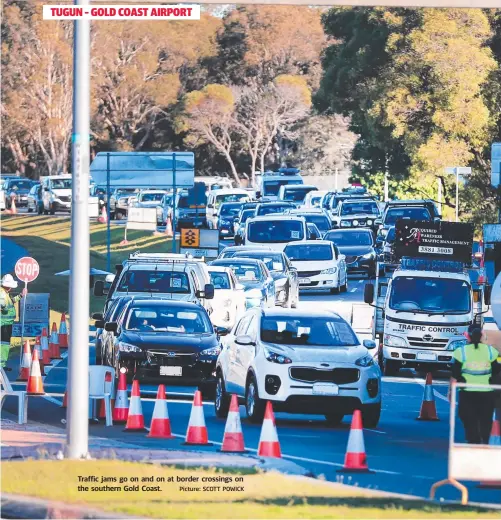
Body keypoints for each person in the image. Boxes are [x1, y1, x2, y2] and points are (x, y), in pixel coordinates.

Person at [451, 323, 501, 444]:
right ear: (482, 335)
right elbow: (496, 371)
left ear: (467, 335)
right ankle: (485, 440)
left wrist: (450, 392)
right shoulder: (490, 351)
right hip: (487, 393)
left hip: (467, 392)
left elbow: (454, 374)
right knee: (485, 419)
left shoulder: (461, 352)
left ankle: (473, 440)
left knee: (468, 418)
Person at [1, 274, 26, 369]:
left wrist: (20, 296)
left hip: (6, 324)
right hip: (3, 324)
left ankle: (2, 364)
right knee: (4, 344)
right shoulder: (2, 294)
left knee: (4, 344)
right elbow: (3, 306)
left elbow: (11, 301)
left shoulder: (5, 293)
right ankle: (1, 365)